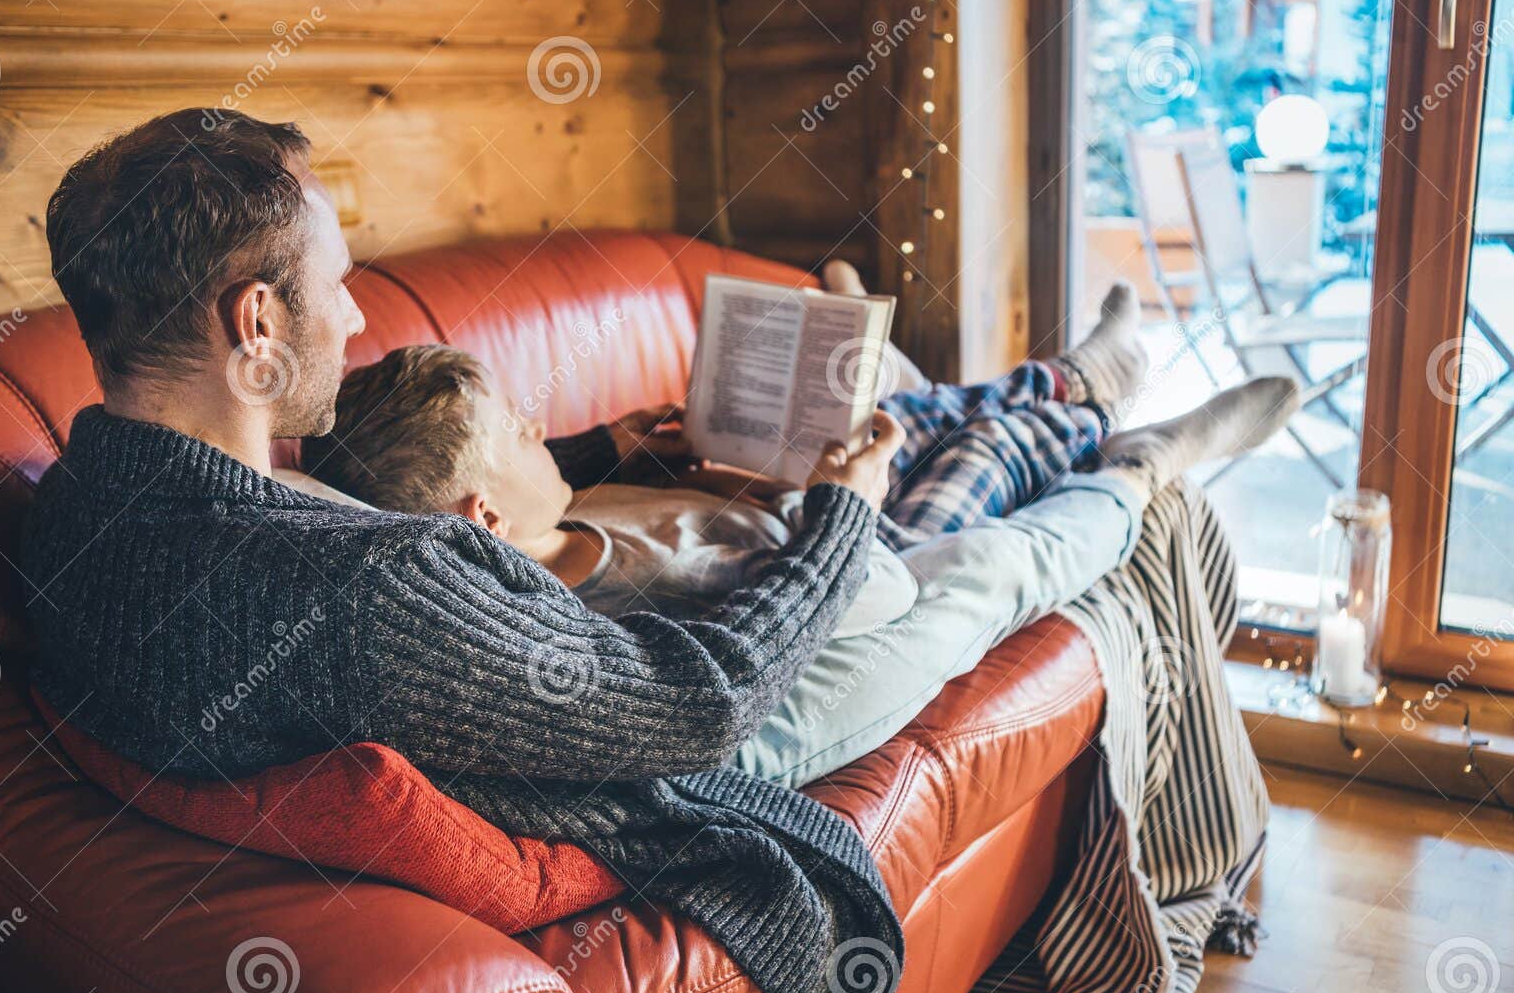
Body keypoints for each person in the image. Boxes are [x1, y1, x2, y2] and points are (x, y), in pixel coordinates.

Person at [22, 107, 909, 993]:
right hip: (664, 745)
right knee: (1010, 570)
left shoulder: (73, 512)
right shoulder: (367, 590)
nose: (358, 314)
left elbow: (325, 504)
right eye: (337, 284)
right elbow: (699, 703)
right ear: (258, 320)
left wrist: (595, 446)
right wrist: (846, 510)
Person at [300, 299, 1298, 789]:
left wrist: (646, 450)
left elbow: (640, 493)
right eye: (521, 428)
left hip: (800, 508)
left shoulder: (536, 523)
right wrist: (830, 499)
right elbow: (837, 598)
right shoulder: (630, 600)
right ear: (483, 518)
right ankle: (1138, 443)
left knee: (904, 408)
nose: (538, 426)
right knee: (989, 447)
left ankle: (1076, 376)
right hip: (863, 551)